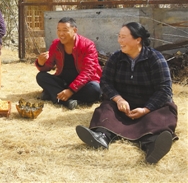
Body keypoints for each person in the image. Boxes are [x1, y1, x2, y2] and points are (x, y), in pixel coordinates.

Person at [76, 22, 178, 164]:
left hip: (150, 106)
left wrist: (145, 109)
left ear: (138, 39)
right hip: (123, 105)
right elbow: (105, 83)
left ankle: (153, 145)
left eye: (123, 37)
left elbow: (165, 89)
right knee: (106, 109)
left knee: (163, 114)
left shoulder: (155, 58)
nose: (119, 41)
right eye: (119, 36)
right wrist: (118, 99)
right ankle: (101, 137)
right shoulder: (116, 58)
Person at [35, 17, 102, 110]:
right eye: (58, 30)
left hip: (83, 84)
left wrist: (71, 90)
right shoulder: (56, 44)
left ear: (74, 30)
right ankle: (68, 101)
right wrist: (41, 63)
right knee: (41, 76)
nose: (61, 34)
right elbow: (48, 66)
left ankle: (54, 95)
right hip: (63, 81)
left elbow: (88, 72)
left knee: (95, 89)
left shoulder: (88, 45)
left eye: (65, 30)